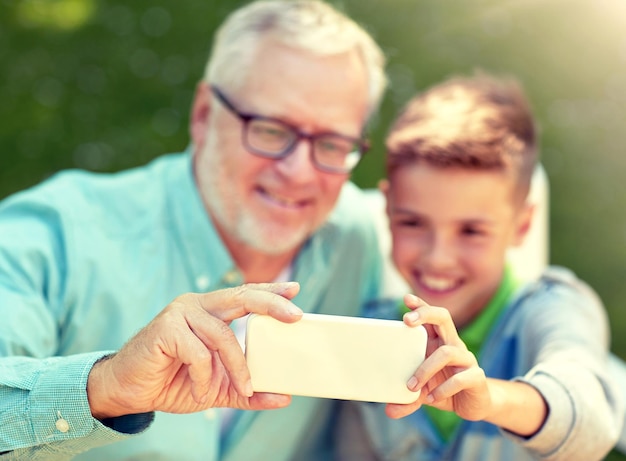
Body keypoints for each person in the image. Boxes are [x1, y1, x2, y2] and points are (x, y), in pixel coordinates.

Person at [0, 1, 388, 460]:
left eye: (330, 143)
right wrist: (108, 386)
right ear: (203, 114)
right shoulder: (55, 233)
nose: (300, 172)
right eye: (270, 130)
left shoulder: (362, 241)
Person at [336, 73, 623, 460]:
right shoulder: (369, 336)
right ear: (387, 210)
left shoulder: (553, 308)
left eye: (471, 231)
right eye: (413, 223)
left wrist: (491, 398)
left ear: (522, 224)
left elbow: (592, 422)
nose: (438, 257)